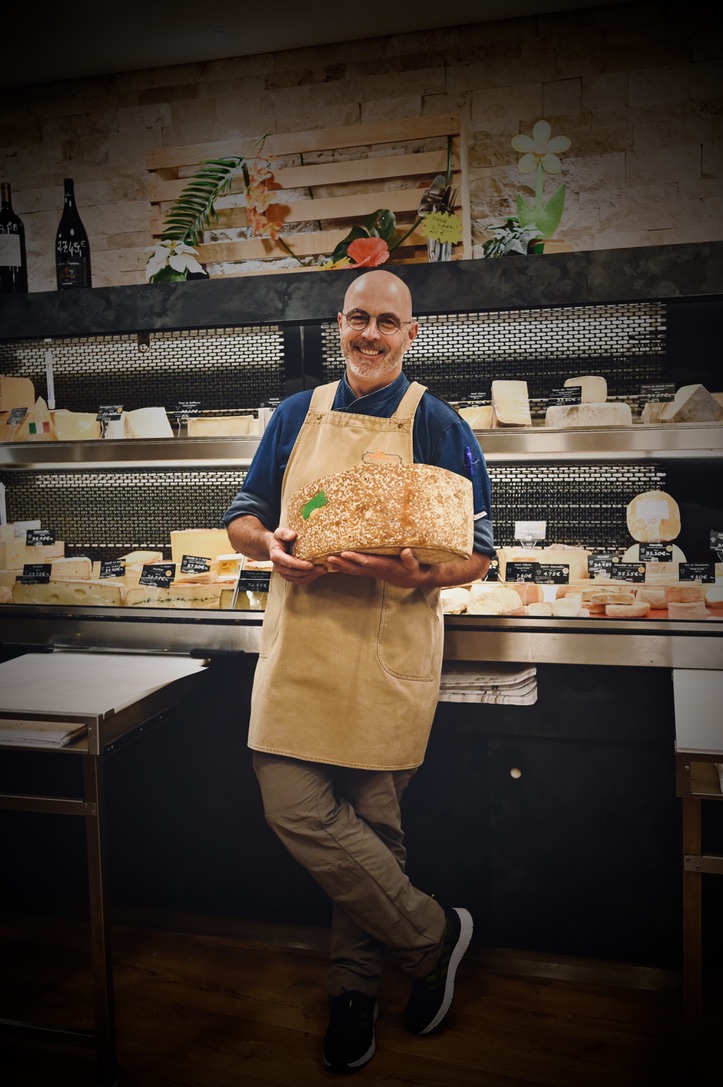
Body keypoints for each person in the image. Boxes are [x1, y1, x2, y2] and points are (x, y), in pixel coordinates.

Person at [224, 268, 495, 1074]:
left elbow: (479, 549)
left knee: (373, 834)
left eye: (387, 321)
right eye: (357, 319)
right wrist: (266, 545)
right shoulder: (292, 415)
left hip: (383, 653)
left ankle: (350, 993)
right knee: (295, 808)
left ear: (411, 335)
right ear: (336, 325)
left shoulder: (437, 423)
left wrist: (419, 577)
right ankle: (432, 935)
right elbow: (243, 513)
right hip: (300, 645)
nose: (370, 334)